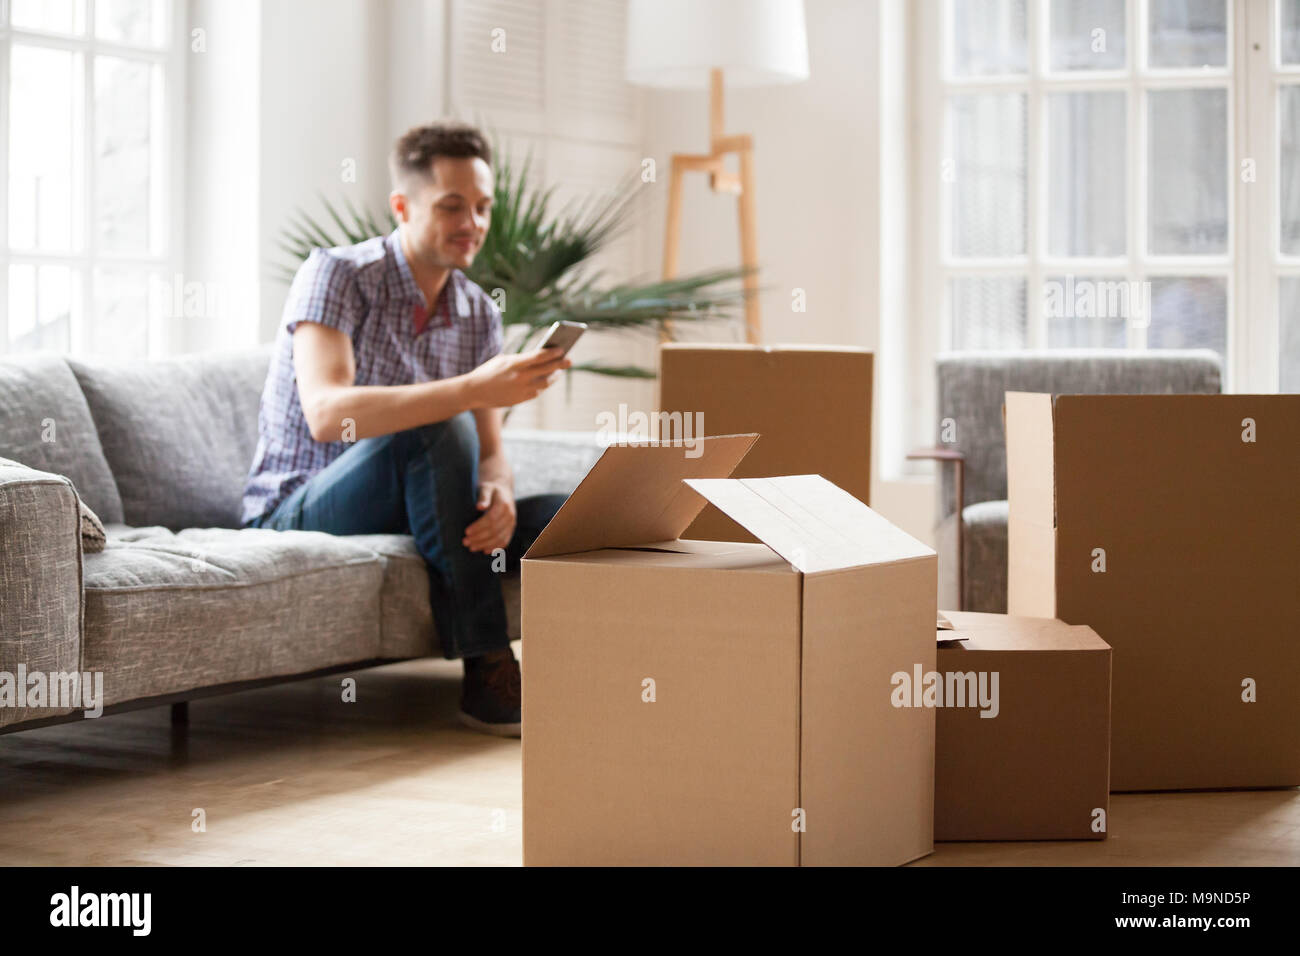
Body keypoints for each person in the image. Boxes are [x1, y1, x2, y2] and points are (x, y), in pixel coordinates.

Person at [241, 122, 570, 737]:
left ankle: (614, 670)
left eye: (481, 207)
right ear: (402, 206)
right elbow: (327, 413)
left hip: (424, 502)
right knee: (437, 428)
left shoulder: (477, 312)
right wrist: (472, 389)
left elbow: (492, 453)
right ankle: (486, 662)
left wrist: (496, 494)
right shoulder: (337, 275)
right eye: (451, 206)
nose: (471, 222)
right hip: (302, 503)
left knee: (575, 512)